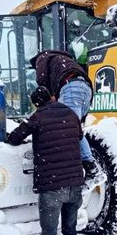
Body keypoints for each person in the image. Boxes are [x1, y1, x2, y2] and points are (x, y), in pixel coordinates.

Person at [6, 86, 85, 235]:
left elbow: (13, 138)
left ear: (36, 104)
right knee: (70, 230)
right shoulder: (70, 113)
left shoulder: (36, 117)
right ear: (53, 97)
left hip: (52, 187)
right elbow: (79, 135)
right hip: (75, 183)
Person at [29, 50, 100, 180]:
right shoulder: (64, 60)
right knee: (75, 129)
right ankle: (83, 167)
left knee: (69, 130)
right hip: (86, 88)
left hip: (71, 88)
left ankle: (90, 168)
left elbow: (42, 81)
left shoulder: (42, 58)